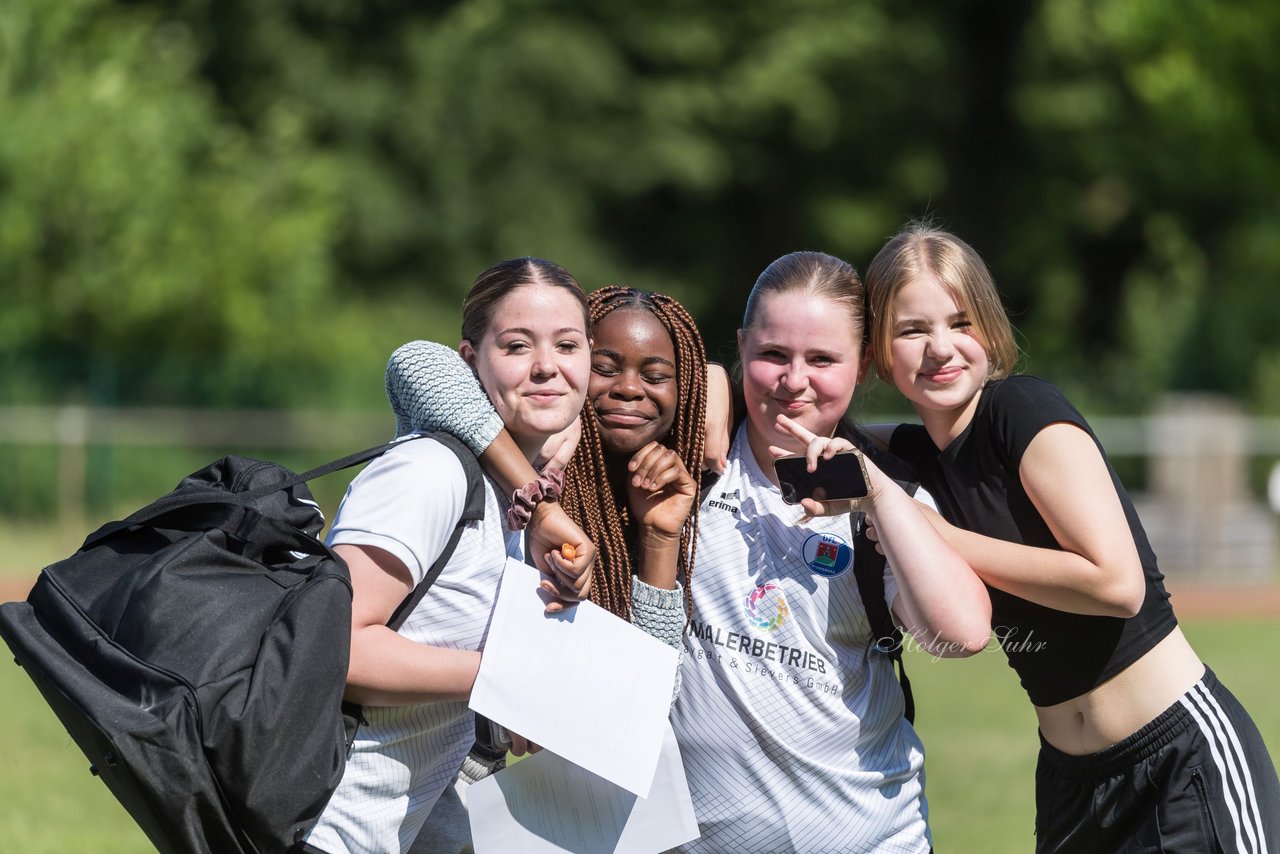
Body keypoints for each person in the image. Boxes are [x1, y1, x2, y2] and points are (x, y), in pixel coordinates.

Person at [849, 222, 1279, 852]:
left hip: (1179, 760)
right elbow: (822, 420)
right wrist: (727, 391)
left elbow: (1117, 584)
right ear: (880, 354)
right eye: (913, 330)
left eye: (960, 322)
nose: (941, 347)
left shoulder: (1020, 409)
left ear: (991, 330)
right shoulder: (918, 456)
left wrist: (936, 533)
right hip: (1071, 784)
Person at [665, 250, 991, 853]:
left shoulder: (895, 490)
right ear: (740, 348)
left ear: (862, 366)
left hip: (873, 838)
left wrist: (874, 496)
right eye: (772, 355)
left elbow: (961, 634)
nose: (794, 381)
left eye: (822, 359)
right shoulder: (684, 463)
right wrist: (702, 376)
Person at [389, 286, 710, 854]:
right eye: (606, 367)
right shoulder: (524, 442)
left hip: (548, 818)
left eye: (656, 374)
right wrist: (537, 499)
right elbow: (416, 361)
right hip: (443, 792)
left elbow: (647, 710)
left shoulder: (675, 495)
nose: (629, 389)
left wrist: (659, 538)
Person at [298, 257, 594, 854]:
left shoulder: (516, 499)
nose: (546, 366)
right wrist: (505, 679)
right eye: (516, 346)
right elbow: (336, 643)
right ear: (469, 361)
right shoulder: (430, 470)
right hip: (322, 828)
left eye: (568, 345)